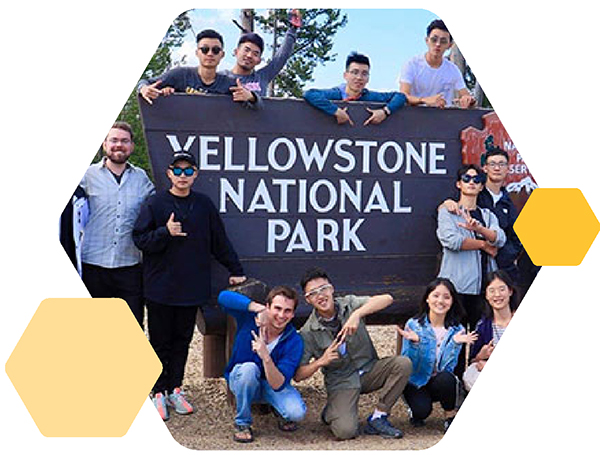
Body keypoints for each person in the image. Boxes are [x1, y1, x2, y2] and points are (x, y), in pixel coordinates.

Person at [132, 150, 246, 421]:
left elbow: (219, 241)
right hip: (160, 287)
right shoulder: (155, 203)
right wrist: (165, 233)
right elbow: (139, 238)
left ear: (195, 174)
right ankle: (157, 391)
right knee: (159, 341)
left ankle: (175, 388)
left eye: (188, 171)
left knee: (182, 341)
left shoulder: (204, 205)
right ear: (169, 173)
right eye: (177, 170)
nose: (182, 176)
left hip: (191, 287)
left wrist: (236, 269)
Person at [294, 267, 412, 440]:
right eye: (313, 293)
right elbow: (298, 375)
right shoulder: (307, 332)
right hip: (342, 382)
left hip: (370, 369)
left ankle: (379, 417)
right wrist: (321, 361)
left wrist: (357, 314)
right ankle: (332, 411)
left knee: (403, 364)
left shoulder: (349, 304)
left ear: (331, 288)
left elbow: (387, 298)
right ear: (308, 299)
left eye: (323, 288)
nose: (320, 295)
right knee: (345, 431)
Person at [79, 121, 154, 327]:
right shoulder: (86, 176)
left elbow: (156, 210)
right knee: (93, 329)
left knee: (131, 329)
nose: (118, 145)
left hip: (129, 266)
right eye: (113, 140)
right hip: (93, 264)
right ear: (104, 144)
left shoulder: (141, 178)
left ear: (131, 146)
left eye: (124, 141)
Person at [218, 286, 306, 443]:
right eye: (277, 308)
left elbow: (278, 384)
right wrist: (257, 309)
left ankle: (277, 408)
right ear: (268, 307)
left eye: (287, 311)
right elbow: (223, 297)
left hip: (271, 385)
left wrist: (265, 356)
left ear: (292, 314)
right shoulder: (249, 319)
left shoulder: (294, 341)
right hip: (242, 378)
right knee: (249, 369)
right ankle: (242, 423)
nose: (281, 315)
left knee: (296, 413)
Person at [398, 278, 477, 432]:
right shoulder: (413, 325)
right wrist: (416, 343)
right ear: (427, 298)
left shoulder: (457, 329)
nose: (440, 301)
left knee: (447, 378)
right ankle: (414, 409)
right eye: (435, 295)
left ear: (452, 301)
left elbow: (447, 368)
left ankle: (450, 415)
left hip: (438, 379)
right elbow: (408, 363)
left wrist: (454, 343)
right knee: (421, 412)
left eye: (446, 297)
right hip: (416, 380)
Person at [439, 142, 524, 284]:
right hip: (462, 277)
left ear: (508, 168)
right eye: (492, 164)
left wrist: (509, 256)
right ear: (485, 168)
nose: (497, 168)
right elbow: (450, 234)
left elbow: (508, 236)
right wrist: (484, 245)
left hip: (496, 273)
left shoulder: (506, 203)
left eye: (502, 164)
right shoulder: (470, 197)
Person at [436, 164, 506, 330]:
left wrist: (479, 229)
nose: (471, 182)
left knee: (481, 341)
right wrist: (483, 244)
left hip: (485, 289)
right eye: (466, 178)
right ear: (459, 184)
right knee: (455, 341)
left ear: (482, 186)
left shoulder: (488, 215)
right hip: (457, 287)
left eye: (477, 180)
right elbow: (452, 241)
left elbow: (500, 239)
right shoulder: (447, 212)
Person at [138, 29, 261, 109]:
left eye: (216, 50)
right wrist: (144, 89)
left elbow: (259, 108)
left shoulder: (229, 84)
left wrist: (251, 97)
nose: (210, 53)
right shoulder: (180, 75)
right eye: (205, 49)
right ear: (197, 52)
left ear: (222, 55)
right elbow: (145, 82)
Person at [304, 52, 407, 126]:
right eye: (354, 72)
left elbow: (400, 96)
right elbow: (309, 94)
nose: (359, 78)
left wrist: (385, 112)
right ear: (345, 75)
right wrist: (336, 111)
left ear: (368, 78)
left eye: (364, 74)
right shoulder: (336, 93)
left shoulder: (370, 96)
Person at [222, 9, 302, 96]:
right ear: (236, 52)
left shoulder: (262, 77)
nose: (249, 56)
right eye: (246, 50)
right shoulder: (221, 78)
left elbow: (281, 58)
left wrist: (293, 29)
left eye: (255, 54)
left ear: (259, 60)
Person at [399, 19, 475, 109]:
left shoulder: (453, 69)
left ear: (450, 45)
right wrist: (424, 100)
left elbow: (465, 95)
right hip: (414, 117)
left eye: (443, 41)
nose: (438, 44)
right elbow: (403, 96)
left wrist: (467, 100)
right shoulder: (412, 65)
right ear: (427, 40)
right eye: (434, 40)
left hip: (443, 119)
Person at [463, 270, 518, 391]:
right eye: (492, 291)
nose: (497, 295)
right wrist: (480, 356)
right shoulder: (483, 326)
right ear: (487, 296)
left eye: (502, 289)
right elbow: (473, 361)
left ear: (510, 291)